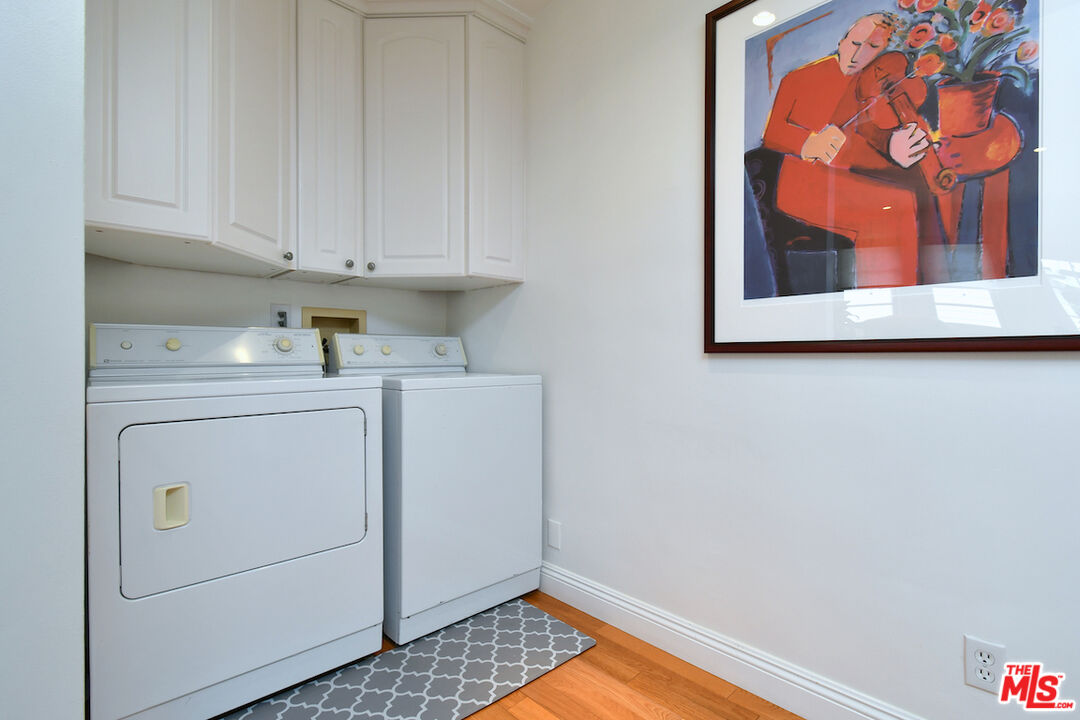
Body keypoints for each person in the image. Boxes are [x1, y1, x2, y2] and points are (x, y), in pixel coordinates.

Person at [762, 13, 931, 288]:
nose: (857, 53)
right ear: (841, 42)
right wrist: (808, 142)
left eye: (872, 48)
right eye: (854, 43)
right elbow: (772, 134)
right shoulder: (799, 78)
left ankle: (895, 301)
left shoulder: (874, 91)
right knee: (893, 208)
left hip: (848, 180)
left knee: (905, 201)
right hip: (800, 184)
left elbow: (866, 149)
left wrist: (894, 150)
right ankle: (881, 302)